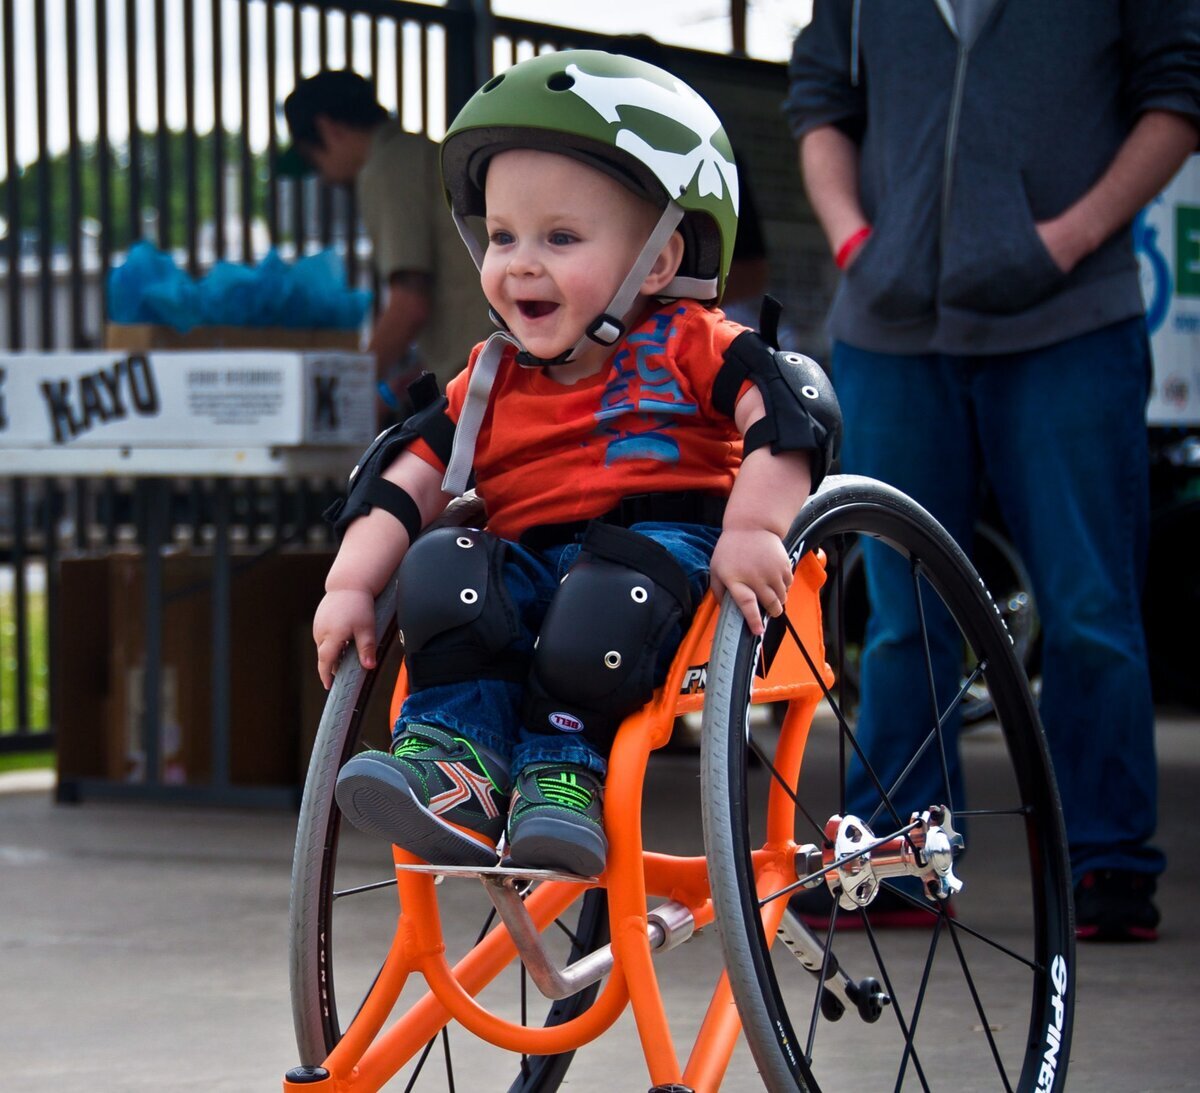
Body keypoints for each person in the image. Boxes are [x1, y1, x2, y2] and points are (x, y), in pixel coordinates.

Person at [312, 49, 840, 877]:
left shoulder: (693, 344)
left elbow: (786, 416)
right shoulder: (489, 375)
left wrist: (753, 527)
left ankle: (564, 777)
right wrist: (349, 584)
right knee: (444, 563)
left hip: (663, 570)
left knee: (601, 595)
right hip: (537, 569)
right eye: (502, 236)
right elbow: (404, 472)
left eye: (560, 237)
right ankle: (458, 762)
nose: (521, 261)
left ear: (660, 261)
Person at [785, 0, 1200, 940]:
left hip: (1067, 319)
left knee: (1091, 604)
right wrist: (856, 241)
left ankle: (1109, 863)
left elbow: (1175, 97)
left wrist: (1065, 240)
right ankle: (898, 853)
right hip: (890, 327)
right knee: (901, 612)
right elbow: (820, 104)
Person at [278, 69, 489, 414]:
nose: (324, 177)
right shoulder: (422, 153)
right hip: (497, 361)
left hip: (478, 384)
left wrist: (344, 395)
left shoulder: (385, 167)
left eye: (314, 160)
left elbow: (410, 304)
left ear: (329, 129)